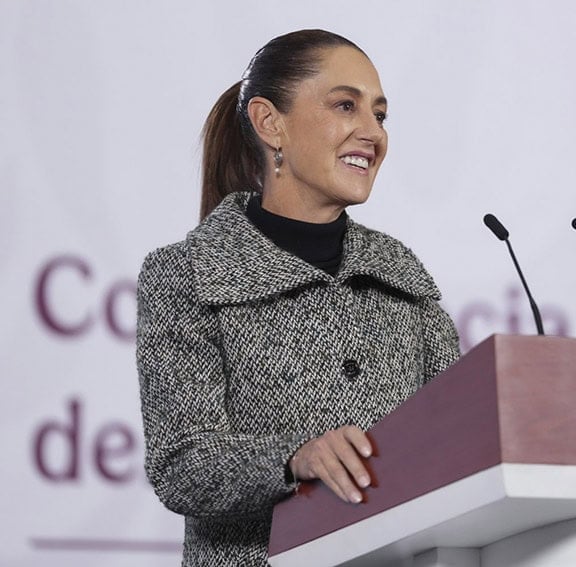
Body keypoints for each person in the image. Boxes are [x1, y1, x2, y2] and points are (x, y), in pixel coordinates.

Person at [135, 29, 460, 566]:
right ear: (270, 124)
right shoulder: (186, 273)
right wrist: (294, 458)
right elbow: (182, 465)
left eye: (380, 115)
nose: (371, 133)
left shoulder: (399, 272)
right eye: (344, 106)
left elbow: (455, 436)